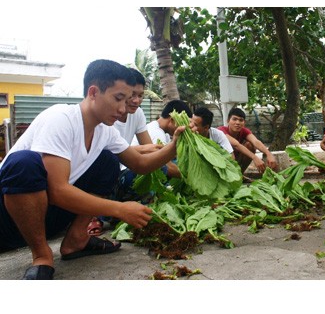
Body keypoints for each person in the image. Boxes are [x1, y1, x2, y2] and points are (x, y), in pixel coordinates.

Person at [0, 59, 187, 279]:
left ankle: (76, 240)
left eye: (126, 100)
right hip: (11, 219)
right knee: (23, 163)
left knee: (107, 162)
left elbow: (140, 163)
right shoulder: (61, 119)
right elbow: (58, 190)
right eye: (118, 98)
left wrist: (174, 146)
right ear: (93, 92)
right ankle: (42, 256)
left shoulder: (104, 131)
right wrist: (119, 209)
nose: (122, 109)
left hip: (46, 217)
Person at [87, 67, 160, 236]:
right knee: (108, 162)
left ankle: (128, 211)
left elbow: (149, 153)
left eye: (140, 95)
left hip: (124, 167)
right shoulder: (104, 117)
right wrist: (141, 149)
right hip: (108, 172)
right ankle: (97, 216)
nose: (135, 100)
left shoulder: (138, 114)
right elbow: (103, 153)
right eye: (130, 95)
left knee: (158, 169)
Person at [133, 99, 193, 178]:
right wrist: (192, 177)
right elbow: (166, 167)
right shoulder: (156, 133)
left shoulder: (163, 132)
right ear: (172, 119)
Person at [218, 107, 278, 174]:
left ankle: (240, 174)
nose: (237, 123)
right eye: (234, 119)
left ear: (244, 123)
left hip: (236, 160)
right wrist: (255, 158)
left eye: (241, 120)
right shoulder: (220, 131)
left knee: (250, 145)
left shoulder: (244, 131)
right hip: (221, 161)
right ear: (228, 121)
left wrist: (268, 154)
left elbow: (255, 141)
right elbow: (236, 144)